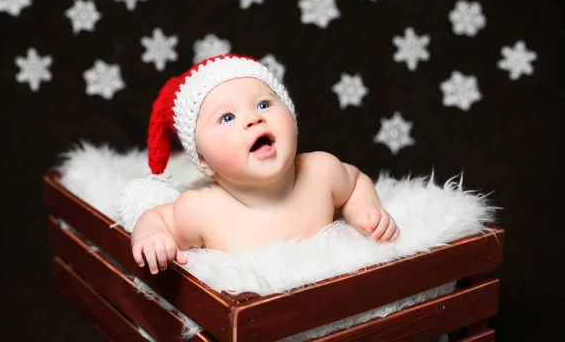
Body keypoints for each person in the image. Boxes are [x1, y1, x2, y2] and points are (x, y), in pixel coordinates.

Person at [131, 54, 400, 274]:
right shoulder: (202, 209)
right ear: (203, 160)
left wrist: (365, 209)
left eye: (263, 104)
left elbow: (355, 183)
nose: (253, 119)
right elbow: (156, 218)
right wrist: (153, 236)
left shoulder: (321, 171)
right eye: (227, 117)